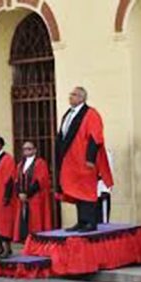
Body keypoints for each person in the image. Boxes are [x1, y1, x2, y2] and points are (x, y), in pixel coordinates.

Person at [55, 86, 113, 233]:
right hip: (70, 160)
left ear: (82, 97)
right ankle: (81, 221)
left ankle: (90, 222)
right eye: (70, 94)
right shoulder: (69, 113)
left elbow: (95, 137)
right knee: (76, 191)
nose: (70, 97)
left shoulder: (91, 114)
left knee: (87, 191)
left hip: (84, 160)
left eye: (73, 95)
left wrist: (90, 159)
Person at [13, 141, 52, 242]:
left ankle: (36, 240)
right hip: (22, 198)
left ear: (35, 150)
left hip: (35, 196)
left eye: (29, 149)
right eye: (24, 149)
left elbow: (40, 181)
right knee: (23, 219)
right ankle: (25, 240)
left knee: (35, 220)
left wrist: (27, 193)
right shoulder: (20, 165)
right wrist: (19, 193)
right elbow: (16, 180)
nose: (26, 151)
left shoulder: (40, 163)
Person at [96, 148, 114, 224]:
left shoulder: (105, 153)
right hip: (89, 193)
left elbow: (108, 171)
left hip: (101, 190)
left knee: (103, 223)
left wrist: (106, 189)